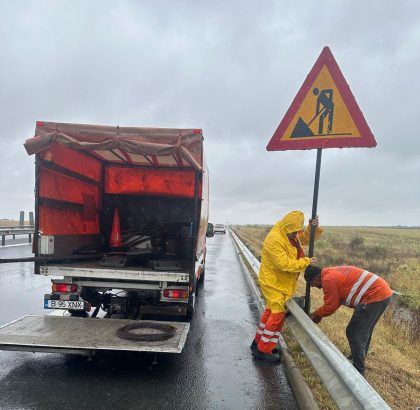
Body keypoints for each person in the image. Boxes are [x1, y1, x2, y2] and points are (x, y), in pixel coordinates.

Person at [251, 211, 322, 363]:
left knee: (270, 312)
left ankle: (259, 342)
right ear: (287, 227)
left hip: (281, 282)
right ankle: (263, 350)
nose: (296, 234)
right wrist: (306, 262)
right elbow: (283, 264)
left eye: (297, 231)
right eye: (294, 232)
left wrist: (311, 228)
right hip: (273, 282)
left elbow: (303, 239)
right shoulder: (274, 239)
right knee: (277, 315)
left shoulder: (289, 233)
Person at [304, 265, 393, 376]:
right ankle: (357, 357)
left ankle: (358, 369)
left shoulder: (328, 279)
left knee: (354, 331)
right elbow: (336, 300)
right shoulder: (330, 273)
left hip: (374, 295)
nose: (314, 287)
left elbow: (331, 306)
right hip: (382, 293)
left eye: (312, 284)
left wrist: (316, 314)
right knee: (363, 330)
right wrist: (319, 315)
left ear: (316, 277)